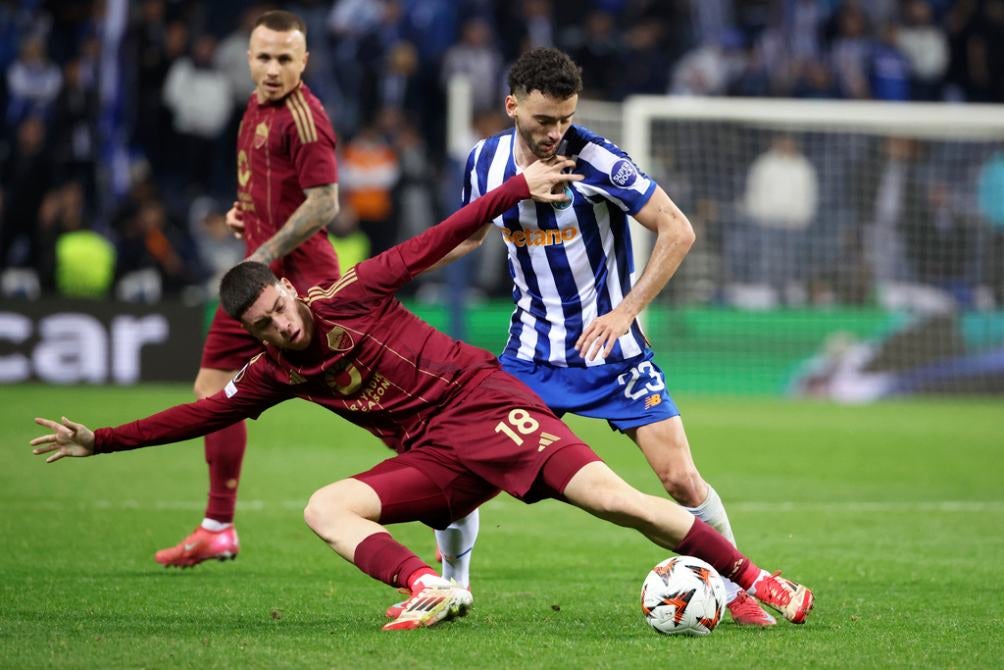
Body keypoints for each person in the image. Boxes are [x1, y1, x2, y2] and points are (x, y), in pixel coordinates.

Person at [30, 161, 814, 632]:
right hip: (433, 456)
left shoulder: (351, 291)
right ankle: (428, 585)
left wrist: (518, 187)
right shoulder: (274, 372)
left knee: (620, 502)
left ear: (288, 290)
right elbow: (200, 413)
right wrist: (101, 440)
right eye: (265, 325)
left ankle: (759, 580)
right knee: (324, 507)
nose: (282, 325)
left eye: (280, 307)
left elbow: (442, 234)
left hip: (488, 408)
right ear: (253, 332)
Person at [424, 47, 776, 627]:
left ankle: (737, 590)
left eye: (565, 119)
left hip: (614, 354)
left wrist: (625, 312)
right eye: (544, 120)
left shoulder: (599, 161)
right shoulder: (483, 161)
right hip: (532, 358)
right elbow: (468, 234)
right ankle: (451, 587)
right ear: (512, 106)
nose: (555, 133)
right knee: (462, 470)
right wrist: (396, 272)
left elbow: (678, 229)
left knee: (680, 478)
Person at [154, 10, 342, 568]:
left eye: (286, 58)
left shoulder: (306, 118)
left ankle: (447, 485)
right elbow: (269, 187)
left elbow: (325, 203)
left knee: (363, 395)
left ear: (304, 61)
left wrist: (263, 251)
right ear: (248, 58)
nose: (273, 68)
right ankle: (218, 527)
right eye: (264, 57)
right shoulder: (255, 107)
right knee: (213, 389)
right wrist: (245, 215)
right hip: (259, 280)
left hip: (301, 282)